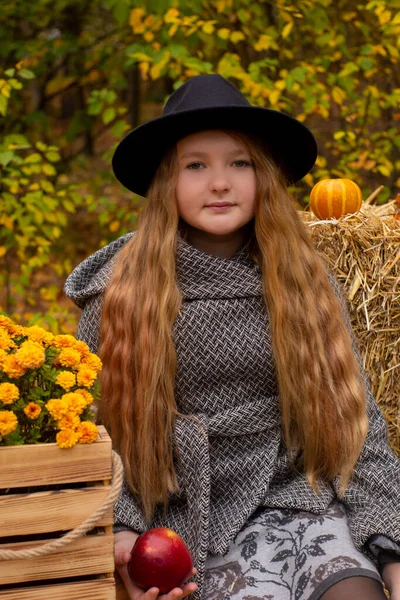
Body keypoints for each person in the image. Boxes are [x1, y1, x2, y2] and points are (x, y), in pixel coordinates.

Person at [64, 74, 400, 600]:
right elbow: (92, 430)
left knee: (356, 592)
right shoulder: (123, 292)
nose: (219, 182)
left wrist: (391, 546)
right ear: (165, 183)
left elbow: (356, 424)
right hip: (180, 522)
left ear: (262, 176)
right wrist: (123, 530)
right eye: (195, 165)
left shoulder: (302, 278)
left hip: (297, 503)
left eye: (239, 163)